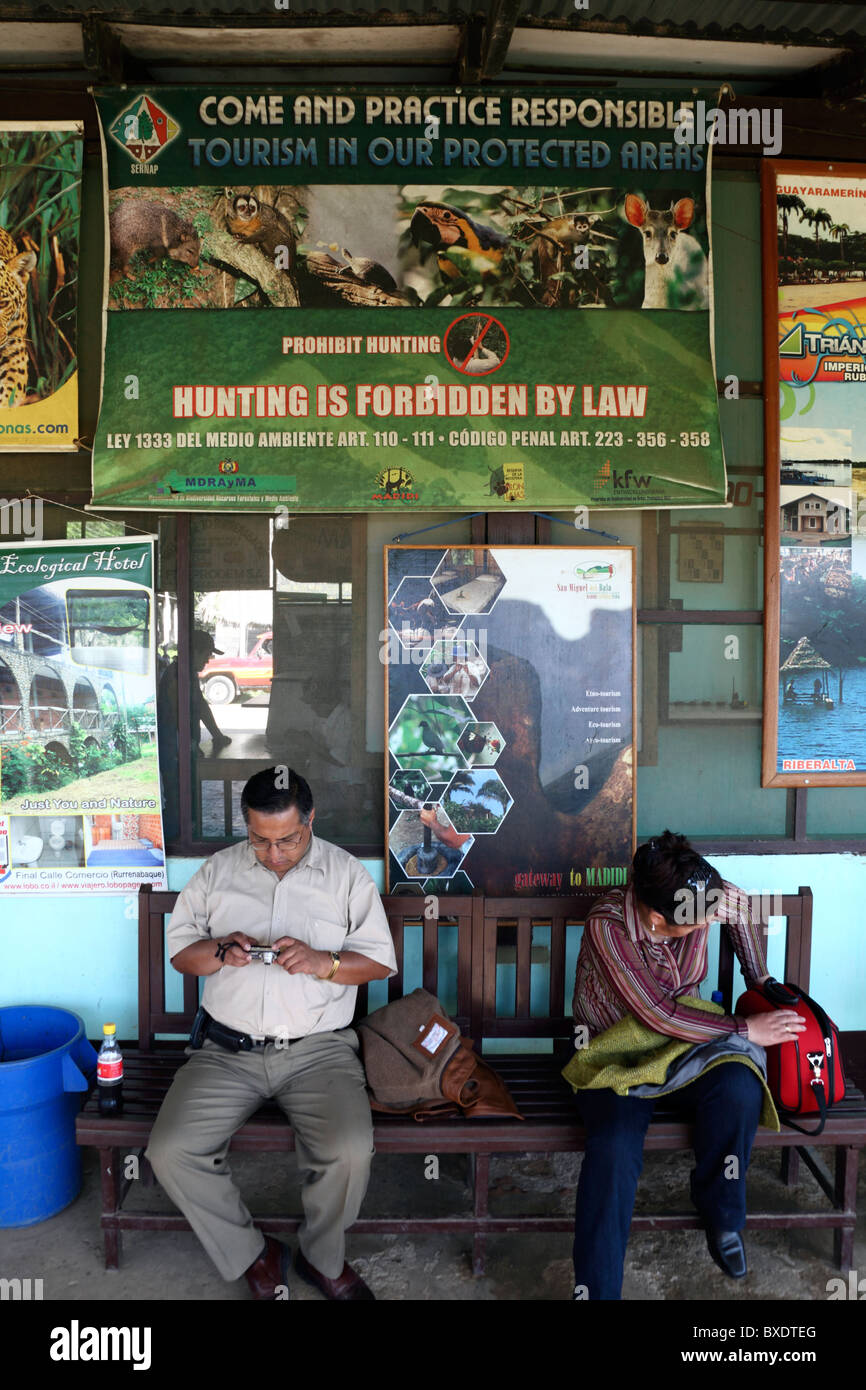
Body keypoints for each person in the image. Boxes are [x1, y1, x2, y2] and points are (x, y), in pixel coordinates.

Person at [145, 766, 397, 1300]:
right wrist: (219, 951)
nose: (275, 853)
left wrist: (322, 961)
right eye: (260, 840)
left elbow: (377, 963)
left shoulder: (347, 875)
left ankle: (322, 1259)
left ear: (310, 820)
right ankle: (254, 1253)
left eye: (288, 839)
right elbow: (181, 953)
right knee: (169, 1151)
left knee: (349, 1150)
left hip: (319, 1052)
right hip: (226, 1050)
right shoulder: (217, 872)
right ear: (245, 826)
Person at [570, 830, 806, 1300]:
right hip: (617, 1051)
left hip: (688, 1043)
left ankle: (722, 1216)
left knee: (740, 1086)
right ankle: (596, 1291)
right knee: (613, 1148)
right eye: (696, 925)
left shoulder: (700, 892)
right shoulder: (608, 924)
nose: (706, 925)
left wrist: (758, 976)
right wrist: (745, 1029)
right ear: (658, 917)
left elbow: (736, 909)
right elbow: (657, 1013)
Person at [157, 628, 231, 839]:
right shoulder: (176, 676)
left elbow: (200, 707)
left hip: (182, 749)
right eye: (206, 654)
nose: (208, 660)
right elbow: (175, 715)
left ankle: (187, 836)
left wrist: (216, 735)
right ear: (194, 651)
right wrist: (188, 744)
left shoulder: (187, 674)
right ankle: (177, 844)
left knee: (188, 801)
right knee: (178, 802)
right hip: (174, 751)